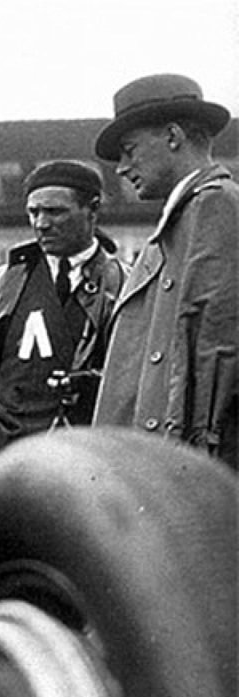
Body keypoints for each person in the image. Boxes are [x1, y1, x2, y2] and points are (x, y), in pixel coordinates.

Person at [0, 160, 125, 484]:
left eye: (55, 212)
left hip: (85, 459)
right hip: (1, 455)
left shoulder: (125, 284)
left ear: (92, 209)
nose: (41, 224)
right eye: (34, 212)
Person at [92, 74, 237, 469]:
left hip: (185, 463)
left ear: (173, 136)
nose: (122, 169)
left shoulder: (214, 207)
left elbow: (215, 351)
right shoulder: (186, 216)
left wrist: (188, 464)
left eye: (129, 150)